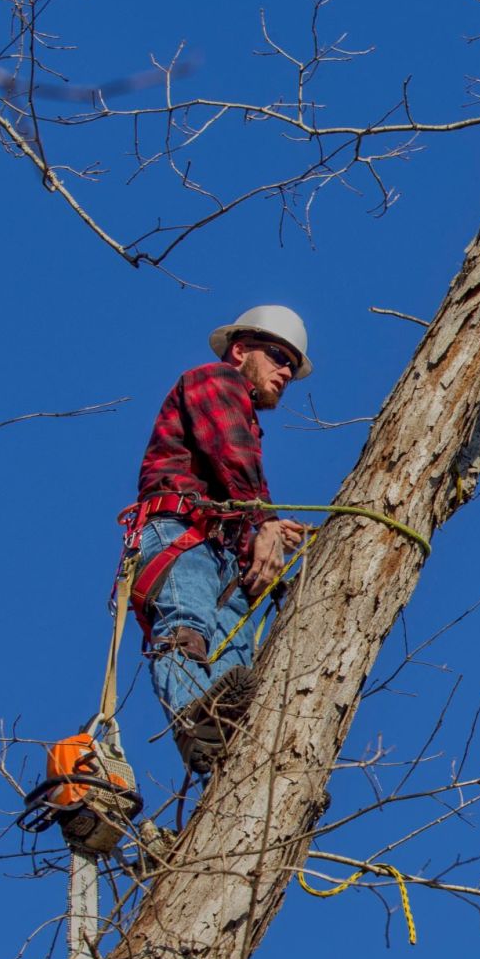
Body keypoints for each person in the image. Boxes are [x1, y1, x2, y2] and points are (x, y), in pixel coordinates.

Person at [122, 304, 313, 771]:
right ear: (240, 349)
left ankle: (225, 750)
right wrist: (264, 523)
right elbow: (231, 456)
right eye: (277, 356)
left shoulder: (249, 423)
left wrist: (263, 538)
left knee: (237, 672)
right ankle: (198, 719)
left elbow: (241, 485)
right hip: (181, 535)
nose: (286, 371)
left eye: (292, 364)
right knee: (186, 629)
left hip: (221, 551)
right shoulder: (214, 381)